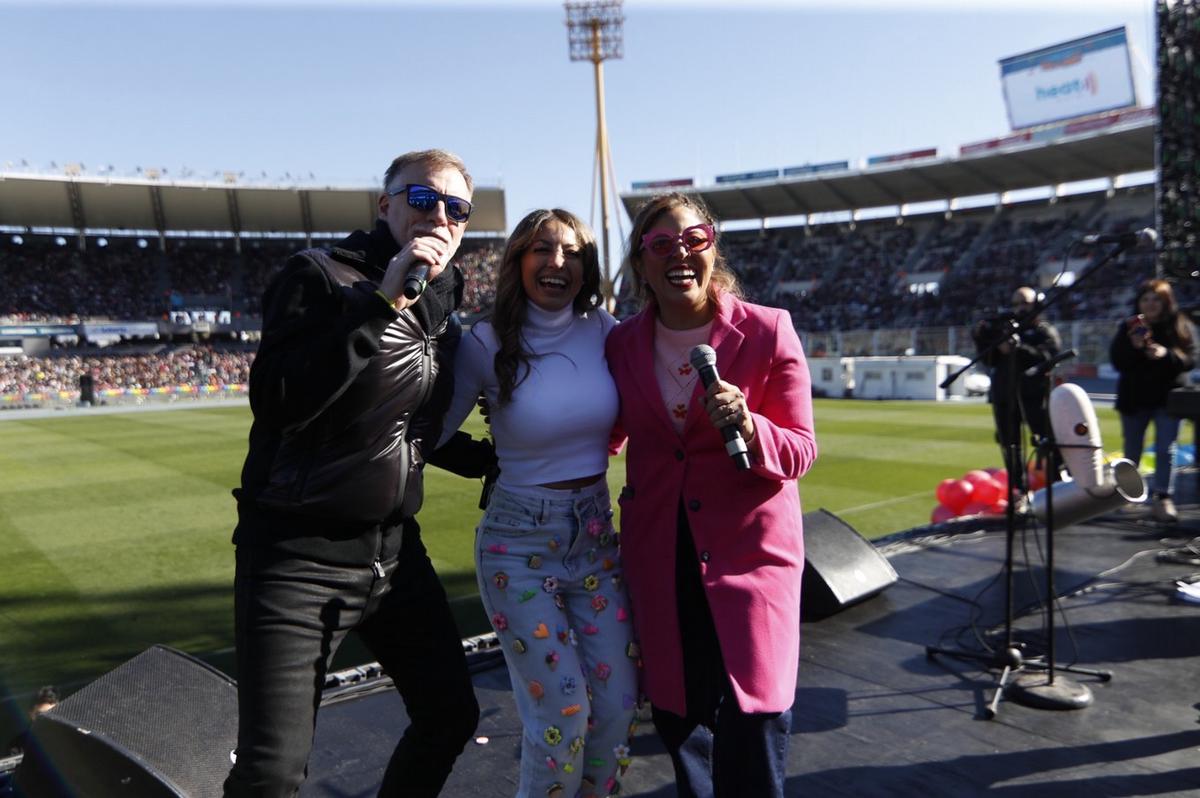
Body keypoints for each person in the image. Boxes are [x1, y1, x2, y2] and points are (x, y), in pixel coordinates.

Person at [225, 149, 495, 797]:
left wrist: (500, 461)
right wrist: (381, 301)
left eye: (457, 209)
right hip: (298, 556)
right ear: (386, 206)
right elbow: (281, 401)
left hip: (396, 555)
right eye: (423, 199)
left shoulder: (443, 296)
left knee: (450, 714)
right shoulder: (318, 276)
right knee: (272, 775)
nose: (442, 217)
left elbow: (410, 430)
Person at [605, 193, 817, 797]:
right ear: (641, 262)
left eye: (694, 240)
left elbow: (800, 449)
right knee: (680, 716)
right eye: (661, 244)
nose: (680, 255)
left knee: (755, 720)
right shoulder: (621, 343)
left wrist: (752, 426)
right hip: (659, 555)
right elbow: (606, 430)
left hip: (750, 556)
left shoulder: (768, 330)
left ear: (712, 247)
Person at [437, 209, 638, 798]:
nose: (558, 263)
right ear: (518, 261)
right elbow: (431, 432)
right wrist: (488, 461)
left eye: (572, 253)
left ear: (587, 267)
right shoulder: (486, 341)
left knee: (621, 705)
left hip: (595, 537)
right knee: (564, 715)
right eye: (542, 250)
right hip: (518, 543)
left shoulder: (605, 329)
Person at [1110, 278, 1197, 523]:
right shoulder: (1128, 327)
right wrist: (1135, 347)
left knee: (1165, 449)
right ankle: (1130, 496)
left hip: (1167, 399)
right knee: (1132, 451)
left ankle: (1162, 496)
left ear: (1165, 301)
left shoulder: (1179, 324)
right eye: (1145, 299)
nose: (1150, 304)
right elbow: (1118, 362)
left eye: (1155, 299)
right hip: (1135, 399)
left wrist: (1166, 354)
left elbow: (1191, 359)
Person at [972, 286, 1062, 494]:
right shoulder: (1004, 330)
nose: (1019, 308)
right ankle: (1018, 490)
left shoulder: (1043, 330)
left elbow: (1049, 357)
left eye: (1025, 303)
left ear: (1037, 305)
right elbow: (987, 359)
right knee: (1010, 445)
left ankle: (1058, 485)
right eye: (1015, 304)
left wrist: (1018, 347)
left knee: (1046, 442)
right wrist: (988, 342)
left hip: (1035, 396)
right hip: (1004, 395)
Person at [5, 686, 58, 756]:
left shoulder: (70, 739)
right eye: (41, 714)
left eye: (53, 713)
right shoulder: (18, 745)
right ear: (31, 714)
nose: (48, 719)